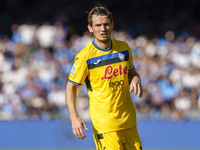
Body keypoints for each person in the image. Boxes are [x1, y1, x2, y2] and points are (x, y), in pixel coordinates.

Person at [66, 5, 143, 150]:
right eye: (98, 25)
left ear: (112, 25)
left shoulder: (124, 48)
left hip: (129, 123)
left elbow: (132, 72)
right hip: (105, 126)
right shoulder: (85, 57)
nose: (103, 29)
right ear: (90, 28)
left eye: (106, 24)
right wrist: (73, 117)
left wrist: (135, 78)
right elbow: (71, 86)